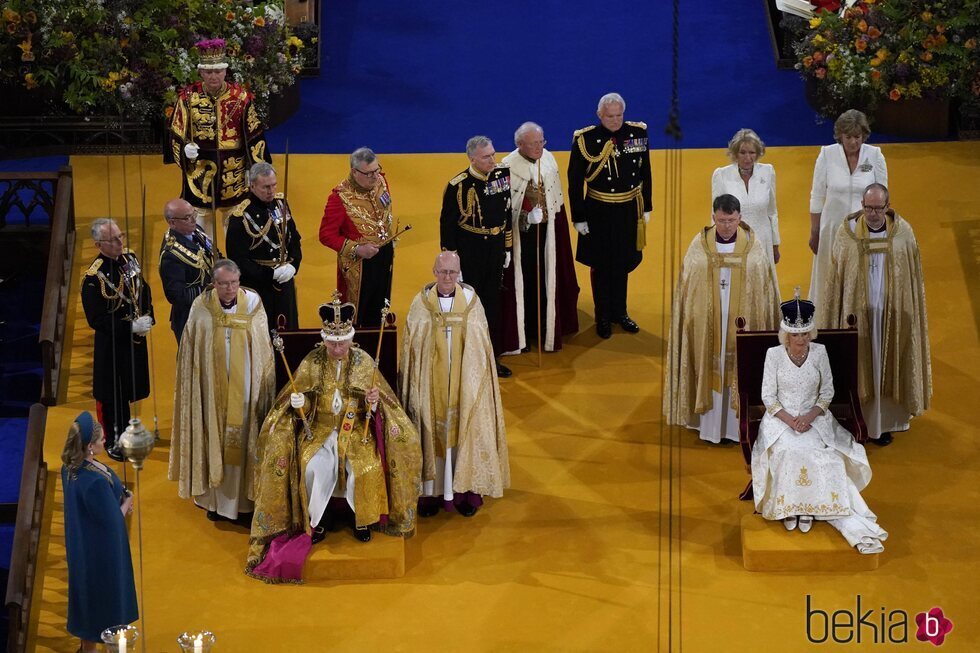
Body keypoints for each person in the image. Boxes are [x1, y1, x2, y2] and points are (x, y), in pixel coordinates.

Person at [246, 293, 421, 583]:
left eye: (342, 342)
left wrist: (374, 402)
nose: (338, 348)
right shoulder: (312, 362)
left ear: (351, 339)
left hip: (356, 435)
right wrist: (299, 404)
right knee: (315, 467)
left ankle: (360, 521)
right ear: (324, 340)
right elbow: (293, 399)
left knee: (363, 469)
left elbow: (385, 404)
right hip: (321, 433)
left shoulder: (365, 361)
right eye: (332, 342)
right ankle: (321, 520)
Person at [752, 295, 888, 554]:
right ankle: (790, 507)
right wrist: (790, 419)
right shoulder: (774, 356)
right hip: (780, 420)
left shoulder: (820, 353)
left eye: (805, 333)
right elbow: (768, 396)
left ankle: (810, 508)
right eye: (795, 335)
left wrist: (810, 416)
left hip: (815, 418)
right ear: (786, 336)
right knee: (789, 451)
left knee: (823, 453)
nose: (801, 340)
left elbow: (827, 392)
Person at [818, 183, 931, 446]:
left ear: (887, 206)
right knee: (859, 360)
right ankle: (857, 420)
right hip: (857, 315)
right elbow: (836, 280)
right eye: (867, 207)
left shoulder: (903, 234)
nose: (872, 213)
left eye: (878, 208)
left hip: (892, 312)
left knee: (887, 359)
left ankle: (885, 423)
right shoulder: (847, 235)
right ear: (862, 205)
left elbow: (912, 279)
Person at [399, 252, 510, 518]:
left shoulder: (472, 302)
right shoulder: (421, 303)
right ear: (434, 271)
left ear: (459, 273)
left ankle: (464, 493)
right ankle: (430, 494)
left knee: (465, 429)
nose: (447, 278)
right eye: (442, 272)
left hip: (463, 386)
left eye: (452, 273)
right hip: (431, 388)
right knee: (430, 429)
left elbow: (481, 346)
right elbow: (412, 348)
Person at [663, 195, 780, 444]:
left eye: (731, 220)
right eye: (722, 220)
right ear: (713, 217)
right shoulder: (700, 246)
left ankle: (737, 426)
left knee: (739, 365)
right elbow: (689, 287)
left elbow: (763, 291)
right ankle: (709, 427)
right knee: (711, 364)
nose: (726, 226)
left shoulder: (753, 248)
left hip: (742, 324)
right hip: (708, 326)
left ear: (740, 218)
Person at [169, 259, 276, 523]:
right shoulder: (201, 308)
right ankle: (214, 502)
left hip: (247, 388)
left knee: (244, 438)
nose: (229, 289)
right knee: (213, 435)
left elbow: (263, 349)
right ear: (214, 284)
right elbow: (192, 353)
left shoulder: (253, 304)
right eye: (223, 284)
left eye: (233, 283)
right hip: (211, 389)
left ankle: (244, 502)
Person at [567, 92, 651, 339]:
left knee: (624, 261)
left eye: (619, 115)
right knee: (602, 265)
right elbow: (574, 182)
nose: (615, 121)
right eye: (610, 116)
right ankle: (602, 315)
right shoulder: (585, 140)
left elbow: (645, 171)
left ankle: (620, 312)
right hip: (599, 211)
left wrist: (647, 206)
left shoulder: (637, 134)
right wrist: (579, 217)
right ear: (599, 115)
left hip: (628, 209)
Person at [166, 38, 272, 228]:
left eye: (217, 71)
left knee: (236, 228)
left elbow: (255, 135)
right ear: (200, 72)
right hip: (199, 174)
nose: (213, 76)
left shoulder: (241, 98)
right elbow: (176, 132)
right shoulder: (188, 99)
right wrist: (185, 151)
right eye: (208, 72)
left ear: (225, 71)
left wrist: (255, 171)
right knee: (198, 230)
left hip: (234, 174)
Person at [61, 411, 138, 652]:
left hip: (83, 544)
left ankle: (87, 648)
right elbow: (112, 520)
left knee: (87, 599)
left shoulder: (70, 468)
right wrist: (126, 505)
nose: (105, 441)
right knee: (106, 600)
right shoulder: (92, 483)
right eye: (102, 439)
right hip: (102, 550)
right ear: (90, 446)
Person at [500, 122, 580, 352]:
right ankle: (523, 334)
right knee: (525, 284)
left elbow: (556, 199)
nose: (539, 147)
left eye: (541, 141)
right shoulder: (507, 167)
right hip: (522, 240)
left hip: (549, 235)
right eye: (533, 143)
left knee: (548, 280)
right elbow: (507, 210)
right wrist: (525, 218)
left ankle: (548, 327)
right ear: (519, 144)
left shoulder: (549, 160)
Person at [440, 135, 514, 377]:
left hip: (494, 250)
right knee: (469, 306)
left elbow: (507, 213)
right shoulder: (458, 186)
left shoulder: (503, 174)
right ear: (472, 158)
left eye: (493, 154)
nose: (493, 159)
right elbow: (448, 226)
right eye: (486, 157)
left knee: (493, 305)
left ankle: (492, 356)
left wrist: (507, 248)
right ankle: (467, 358)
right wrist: (454, 263)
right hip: (471, 252)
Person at [81, 218, 154, 460]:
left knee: (132, 386)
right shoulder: (94, 278)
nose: (119, 242)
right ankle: (114, 440)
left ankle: (129, 431)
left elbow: (142, 289)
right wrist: (130, 327)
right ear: (98, 244)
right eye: (113, 240)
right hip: (111, 344)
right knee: (114, 394)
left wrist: (147, 316)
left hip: (133, 340)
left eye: (120, 236)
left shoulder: (129, 259)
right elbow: (96, 319)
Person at [808, 109, 887, 305]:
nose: (853, 142)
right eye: (849, 136)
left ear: (864, 135)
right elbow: (817, 196)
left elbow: (883, 194)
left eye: (858, 136)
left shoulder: (875, 155)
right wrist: (815, 231)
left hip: (865, 230)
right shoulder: (826, 155)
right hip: (832, 228)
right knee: (829, 275)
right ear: (840, 136)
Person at [319, 147, 397, 327]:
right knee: (358, 314)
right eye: (369, 173)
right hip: (359, 265)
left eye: (377, 170)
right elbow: (326, 234)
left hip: (384, 255)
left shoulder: (380, 180)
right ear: (354, 172)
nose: (375, 176)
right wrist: (357, 248)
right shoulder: (339, 197)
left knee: (381, 306)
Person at [226, 162, 303, 329]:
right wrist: (270, 274)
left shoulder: (281, 203)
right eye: (265, 187)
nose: (271, 191)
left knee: (288, 328)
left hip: (285, 281)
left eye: (274, 185)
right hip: (259, 287)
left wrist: (294, 265)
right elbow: (238, 259)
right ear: (252, 186)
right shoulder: (240, 217)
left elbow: (294, 238)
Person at [711, 128, 781, 265]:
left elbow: (772, 212)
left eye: (752, 152)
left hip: (763, 240)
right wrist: (717, 245)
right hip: (733, 241)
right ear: (735, 154)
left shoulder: (768, 171)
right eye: (742, 152)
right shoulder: (721, 175)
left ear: (758, 153)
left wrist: (775, 244)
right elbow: (715, 214)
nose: (747, 158)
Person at [158, 197, 220, 343]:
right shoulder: (171, 255)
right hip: (191, 318)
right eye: (187, 218)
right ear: (172, 222)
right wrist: (210, 289)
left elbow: (214, 254)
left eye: (194, 215)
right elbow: (176, 296)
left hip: (211, 310)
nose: (193, 220)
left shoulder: (197, 231)